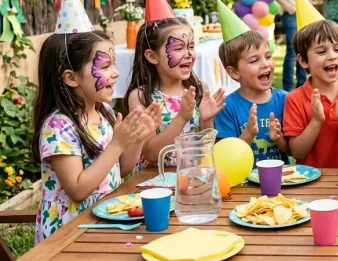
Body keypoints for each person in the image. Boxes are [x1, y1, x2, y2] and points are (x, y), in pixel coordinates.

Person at [33, 29, 158, 243]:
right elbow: (77, 189)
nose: (116, 73)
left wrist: (137, 138)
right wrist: (117, 144)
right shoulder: (58, 125)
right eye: (105, 66)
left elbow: (121, 168)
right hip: (69, 234)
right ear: (71, 78)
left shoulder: (104, 112)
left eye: (114, 64)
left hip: (104, 220)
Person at [125, 17, 226, 166]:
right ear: (152, 56)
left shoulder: (199, 89)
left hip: (195, 173)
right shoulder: (141, 97)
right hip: (157, 180)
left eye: (191, 46)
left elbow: (206, 147)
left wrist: (206, 120)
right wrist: (181, 118)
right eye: (179, 48)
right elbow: (151, 154)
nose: (189, 54)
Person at [282, 20, 338, 168]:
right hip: (310, 182)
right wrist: (316, 120)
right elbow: (297, 153)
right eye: (321, 51)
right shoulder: (294, 99)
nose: (332, 56)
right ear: (303, 60)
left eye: (337, 49)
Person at [215, 30, 289, 163]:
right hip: (243, 181)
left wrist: (279, 139)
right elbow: (228, 159)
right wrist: (249, 133)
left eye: (268, 56)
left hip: (280, 179)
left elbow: (291, 151)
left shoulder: (285, 100)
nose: (265, 64)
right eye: (254, 60)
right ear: (234, 72)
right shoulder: (226, 107)